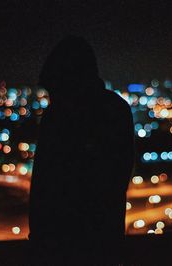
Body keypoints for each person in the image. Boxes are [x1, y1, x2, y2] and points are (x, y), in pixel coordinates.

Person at [28, 36, 134, 265]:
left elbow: (44, 184)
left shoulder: (59, 116)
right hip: (103, 240)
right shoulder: (116, 110)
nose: (52, 96)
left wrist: (38, 239)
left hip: (64, 244)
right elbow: (118, 177)